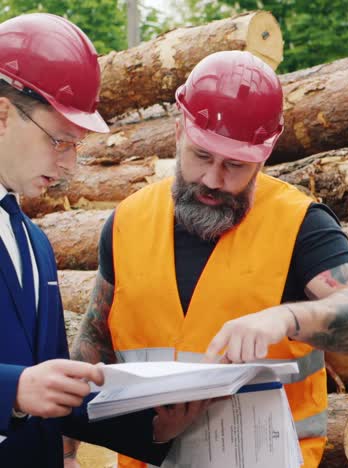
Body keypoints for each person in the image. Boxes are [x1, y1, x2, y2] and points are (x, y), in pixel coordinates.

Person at [71, 50, 348, 468]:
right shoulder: (126, 223)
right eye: (201, 156)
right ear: (177, 133)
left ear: (265, 155)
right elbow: (93, 346)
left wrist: (284, 319)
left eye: (235, 166)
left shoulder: (298, 224)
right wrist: (65, 453)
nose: (212, 179)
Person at [0, 13, 173, 468]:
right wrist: (11, 390)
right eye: (59, 140)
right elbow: (27, 389)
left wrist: (154, 430)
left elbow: (52, 393)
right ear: (2, 115)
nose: (71, 164)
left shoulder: (33, 243)